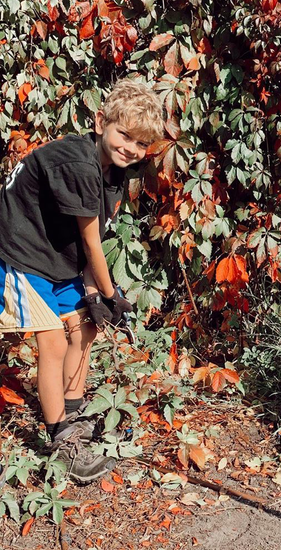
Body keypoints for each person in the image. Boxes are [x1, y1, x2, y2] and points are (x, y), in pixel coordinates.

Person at [0, 79, 164, 482]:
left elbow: (92, 237)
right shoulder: (77, 163)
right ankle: (60, 440)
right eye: (123, 135)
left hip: (54, 257)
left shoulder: (113, 169)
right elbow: (91, 241)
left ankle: (73, 416)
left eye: (141, 144)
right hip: (18, 255)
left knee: (85, 327)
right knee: (53, 340)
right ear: (100, 121)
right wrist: (111, 294)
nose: (131, 148)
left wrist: (97, 292)